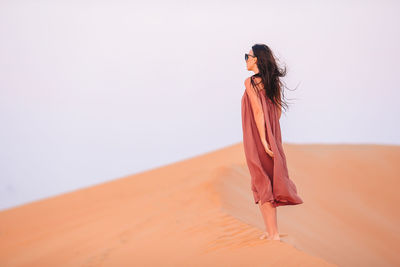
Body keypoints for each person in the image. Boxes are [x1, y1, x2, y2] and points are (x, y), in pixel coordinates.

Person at [241, 44, 304, 241]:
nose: (246, 60)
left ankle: (273, 234)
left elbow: (258, 111)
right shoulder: (273, 83)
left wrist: (262, 138)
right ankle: (272, 232)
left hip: (257, 135)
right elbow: (276, 113)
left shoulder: (250, 82)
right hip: (273, 135)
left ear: (256, 59)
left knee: (261, 180)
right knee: (268, 178)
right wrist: (272, 138)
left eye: (247, 56)